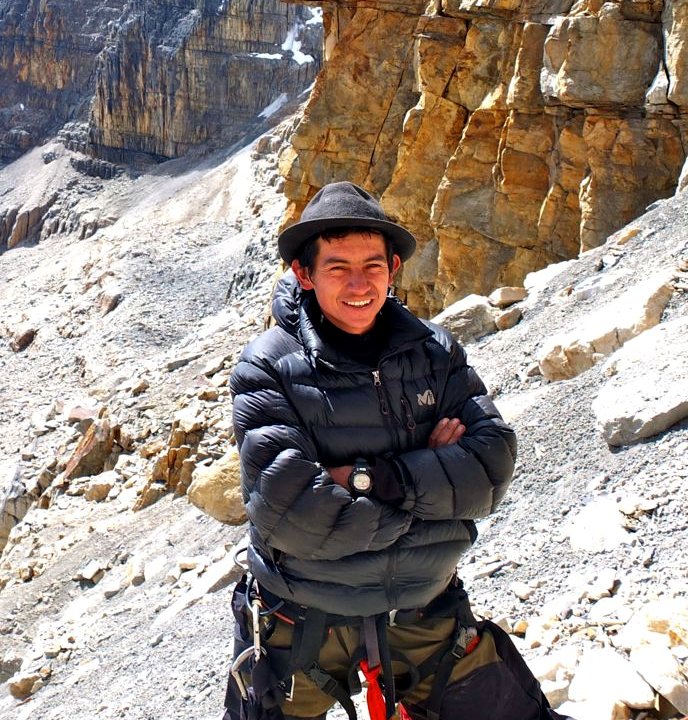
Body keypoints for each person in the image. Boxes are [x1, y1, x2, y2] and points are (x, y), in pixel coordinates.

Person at [223, 182, 535, 720]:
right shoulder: (267, 369)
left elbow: (491, 464)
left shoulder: (434, 351)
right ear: (304, 274)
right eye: (338, 267)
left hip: (423, 612)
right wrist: (429, 500)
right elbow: (294, 515)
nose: (359, 284)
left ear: (393, 268)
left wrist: (365, 480)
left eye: (372, 266)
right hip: (304, 625)